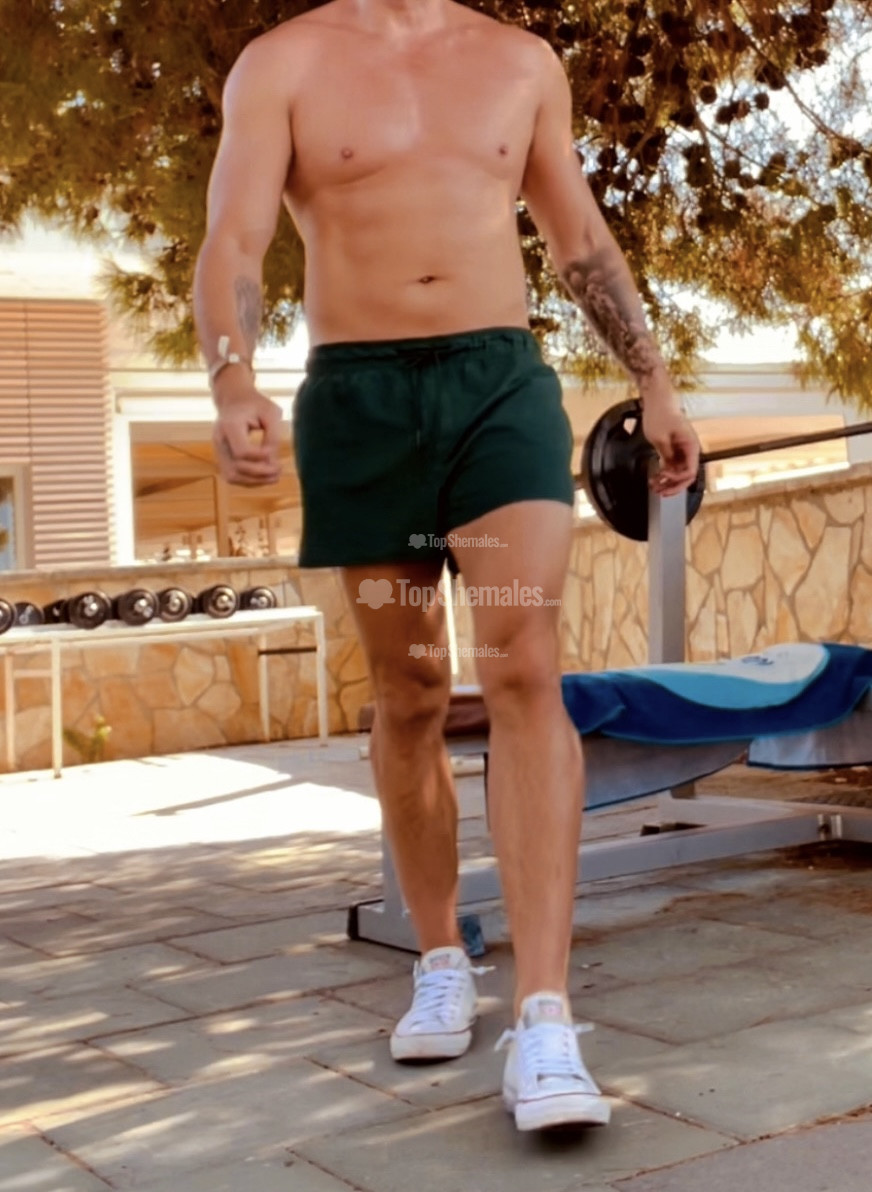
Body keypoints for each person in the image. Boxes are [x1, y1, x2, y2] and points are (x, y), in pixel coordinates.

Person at [193, 0, 701, 1134]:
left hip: (496, 390)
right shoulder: (282, 64)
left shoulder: (519, 62)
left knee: (522, 660)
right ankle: (437, 957)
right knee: (411, 687)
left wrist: (654, 377)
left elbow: (578, 237)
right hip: (358, 402)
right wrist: (232, 378)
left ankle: (545, 1016)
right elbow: (233, 238)